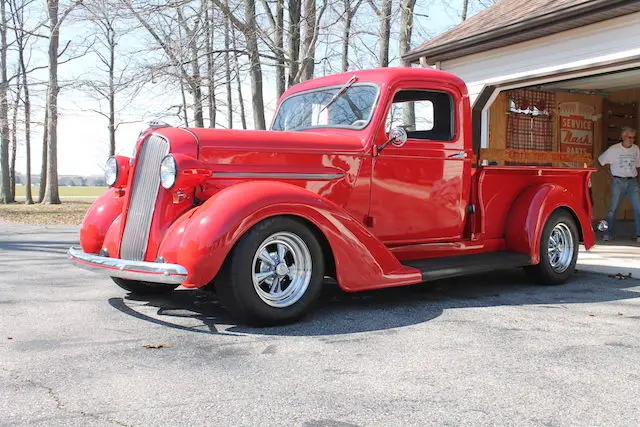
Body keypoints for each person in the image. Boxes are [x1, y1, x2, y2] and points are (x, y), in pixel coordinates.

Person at [598, 127, 640, 242]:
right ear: (623, 137)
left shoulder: (636, 149)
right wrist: (609, 175)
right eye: (629, 137)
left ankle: (638, 234)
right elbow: (601, 161)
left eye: (633, 138)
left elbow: (637, 164)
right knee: (612, 209)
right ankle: (608, 233)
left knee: (638, 208)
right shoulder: (614, 149)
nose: (631, 140)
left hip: (632, 181)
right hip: (618, 181)